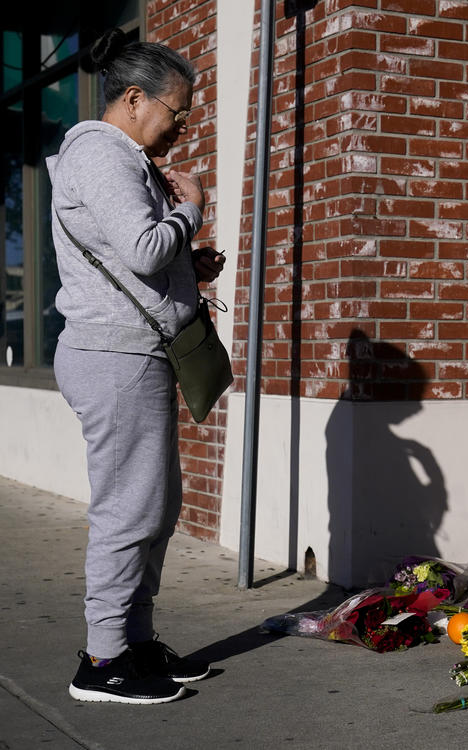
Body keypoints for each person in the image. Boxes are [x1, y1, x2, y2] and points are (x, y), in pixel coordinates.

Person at [47, 27, 225, 704]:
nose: (182, 124)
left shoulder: (122, 159)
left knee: (157, 506)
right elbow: (146, 249)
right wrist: (193, 209)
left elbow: (140, 255)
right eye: (177, 111)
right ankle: (101, 660)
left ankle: (135, 639)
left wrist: (189, 261)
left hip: (132, 352)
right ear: (132, 98)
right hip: (113, 356)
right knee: (129, 510)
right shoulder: (103, 155)